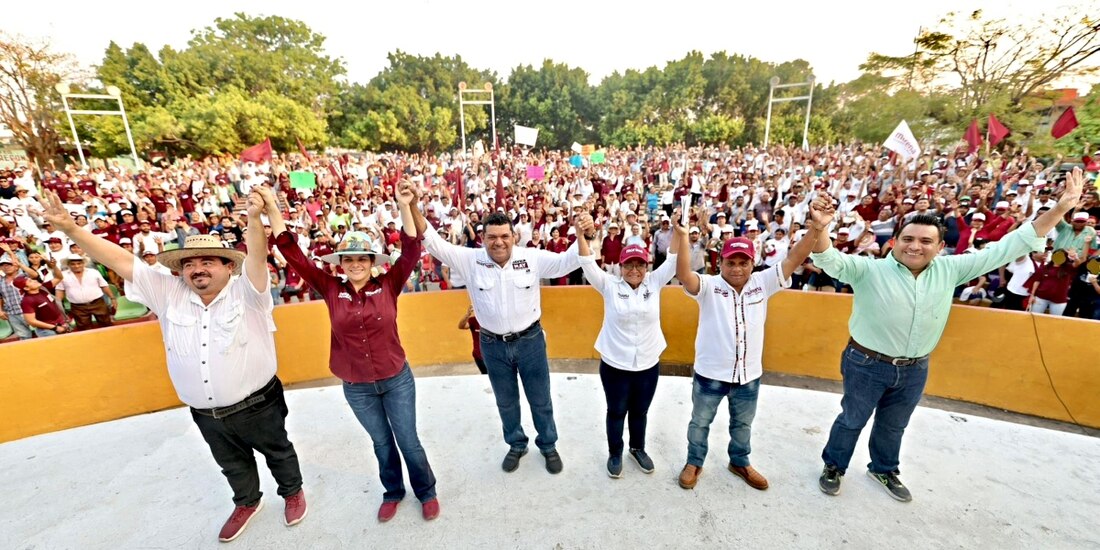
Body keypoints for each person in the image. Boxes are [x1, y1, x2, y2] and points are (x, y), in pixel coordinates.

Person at [40, 188, 307, 543]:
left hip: (257, 404)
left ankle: (292, 492)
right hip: (204, 411)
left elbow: (257, 255)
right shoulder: (167, 292)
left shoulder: (250, 290)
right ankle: (247, 502)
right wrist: (72, 231)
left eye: (207, 261)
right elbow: (121, 261)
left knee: (278, 451)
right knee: (231, 463)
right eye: (189, 263)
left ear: (229, 267)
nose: (197, 269)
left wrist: (254, 219)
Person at [812, 168, 1085, 502]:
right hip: (866, 363)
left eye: (926, 241)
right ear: (895, 241)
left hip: (914, 368)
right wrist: (821, 228)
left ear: (940, 246)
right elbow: (829, 259)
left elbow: (1009, 246)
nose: (916, 246)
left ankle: (883, 469)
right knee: (852, 419)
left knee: (894, 425)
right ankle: (834, 466)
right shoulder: (869, 269)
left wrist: (1059, 210)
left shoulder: (951, 269)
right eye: (908, 239)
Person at [260, 184, 440, 523]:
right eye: (349, 259)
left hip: (396, 378)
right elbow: (293, 254)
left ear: (372, 262)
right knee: (382, 444)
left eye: (362, 258)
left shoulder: (389, 283)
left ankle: (426, 491)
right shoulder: (330, 288)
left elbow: (412, 250)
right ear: (340, 264)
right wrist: (272, 205)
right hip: (357, 386)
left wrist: (404, 206)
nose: (355, 264)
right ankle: (393, 492)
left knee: (408, 441)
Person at [414, 183, 591, 475]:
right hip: (492, 345)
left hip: (530, 341)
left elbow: (566, 263)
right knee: (505, 402)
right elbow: (432, 242)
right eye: (492, 237)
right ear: (482, 238)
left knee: (540, 399)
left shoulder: (531, 258)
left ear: (514, 236)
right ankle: (516, 444)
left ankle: (548, 445)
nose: (499, 242)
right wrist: (413, 204)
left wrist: (583, 232)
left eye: (504, 236)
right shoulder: (471, 260)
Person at [673, 196, 835, 491]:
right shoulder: (709, 286)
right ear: (719, 262)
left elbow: (793, 259)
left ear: (752, 262)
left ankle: (740, 461)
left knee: (742, 425)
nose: (737, 268)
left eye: (743, 262)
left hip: (748, 376)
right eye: (731, 262)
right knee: (699, 424)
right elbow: (684, 275)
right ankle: (694, 462)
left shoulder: (763, 282)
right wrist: (683, 236)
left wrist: (815, 228)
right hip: (710, 375)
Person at [576, 218, 679, 479]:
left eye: (640, 264)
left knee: (640, 411)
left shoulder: (654, 283)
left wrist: (679, 232)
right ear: (621, 267)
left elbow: (674, 259)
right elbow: (587, 263)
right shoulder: (609, 285)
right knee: (616, 410)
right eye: (629, 264)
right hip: (615, 364)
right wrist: (580, 234)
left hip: (647, 363)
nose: (635, 269)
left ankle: (637, 448)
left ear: (646, 265)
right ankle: (614, 452)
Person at [55, 256, 117, 330]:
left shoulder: (94, 272)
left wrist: (112, 298)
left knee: (106, 324)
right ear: (68, 265)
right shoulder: (62, 276)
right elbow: (59, 291)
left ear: (83, 264)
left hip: (98, 303)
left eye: (79, 263)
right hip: (77, 307)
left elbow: (104, 286)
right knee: (84, 329)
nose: (76, 266)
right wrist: (58, 306)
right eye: (73, 264)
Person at [458, 305, 487, 374]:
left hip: (494, 356)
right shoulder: (473, 320)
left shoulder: (492, 322)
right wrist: (467, 314)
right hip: (479, 356)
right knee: (485, 376)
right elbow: (461, 326)